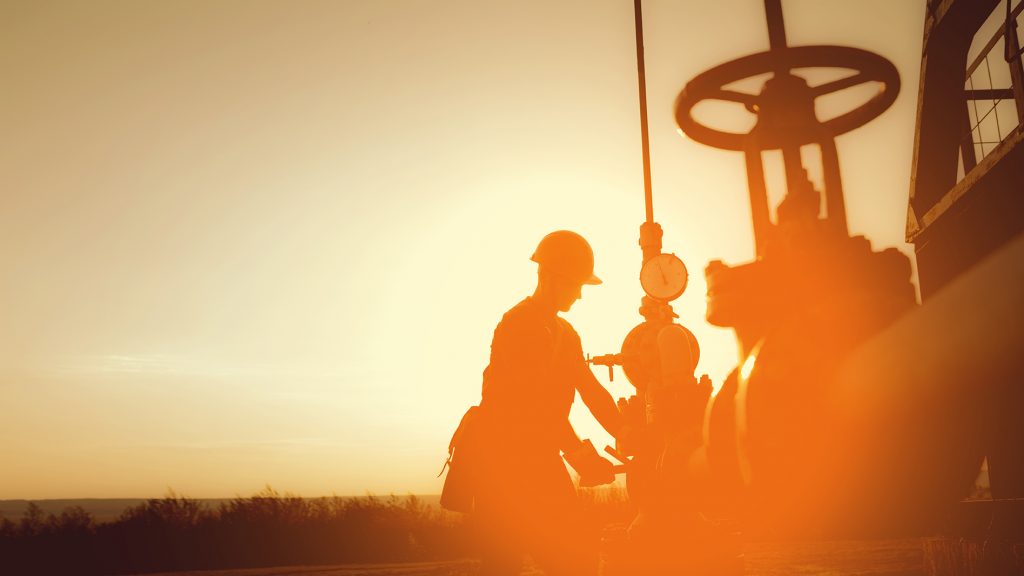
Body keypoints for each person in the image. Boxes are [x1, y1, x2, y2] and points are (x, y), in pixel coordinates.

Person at [474, 230, 626, 576]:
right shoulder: (517, 325)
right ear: (555, 278)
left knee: (575, 560)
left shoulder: (566, 334)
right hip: (502, 467)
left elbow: (590, 389)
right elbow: (533, 405)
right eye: (577, 285)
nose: (581, 295)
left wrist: (626, 432)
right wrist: (581, 455)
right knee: (510, 563)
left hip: (539, 460)